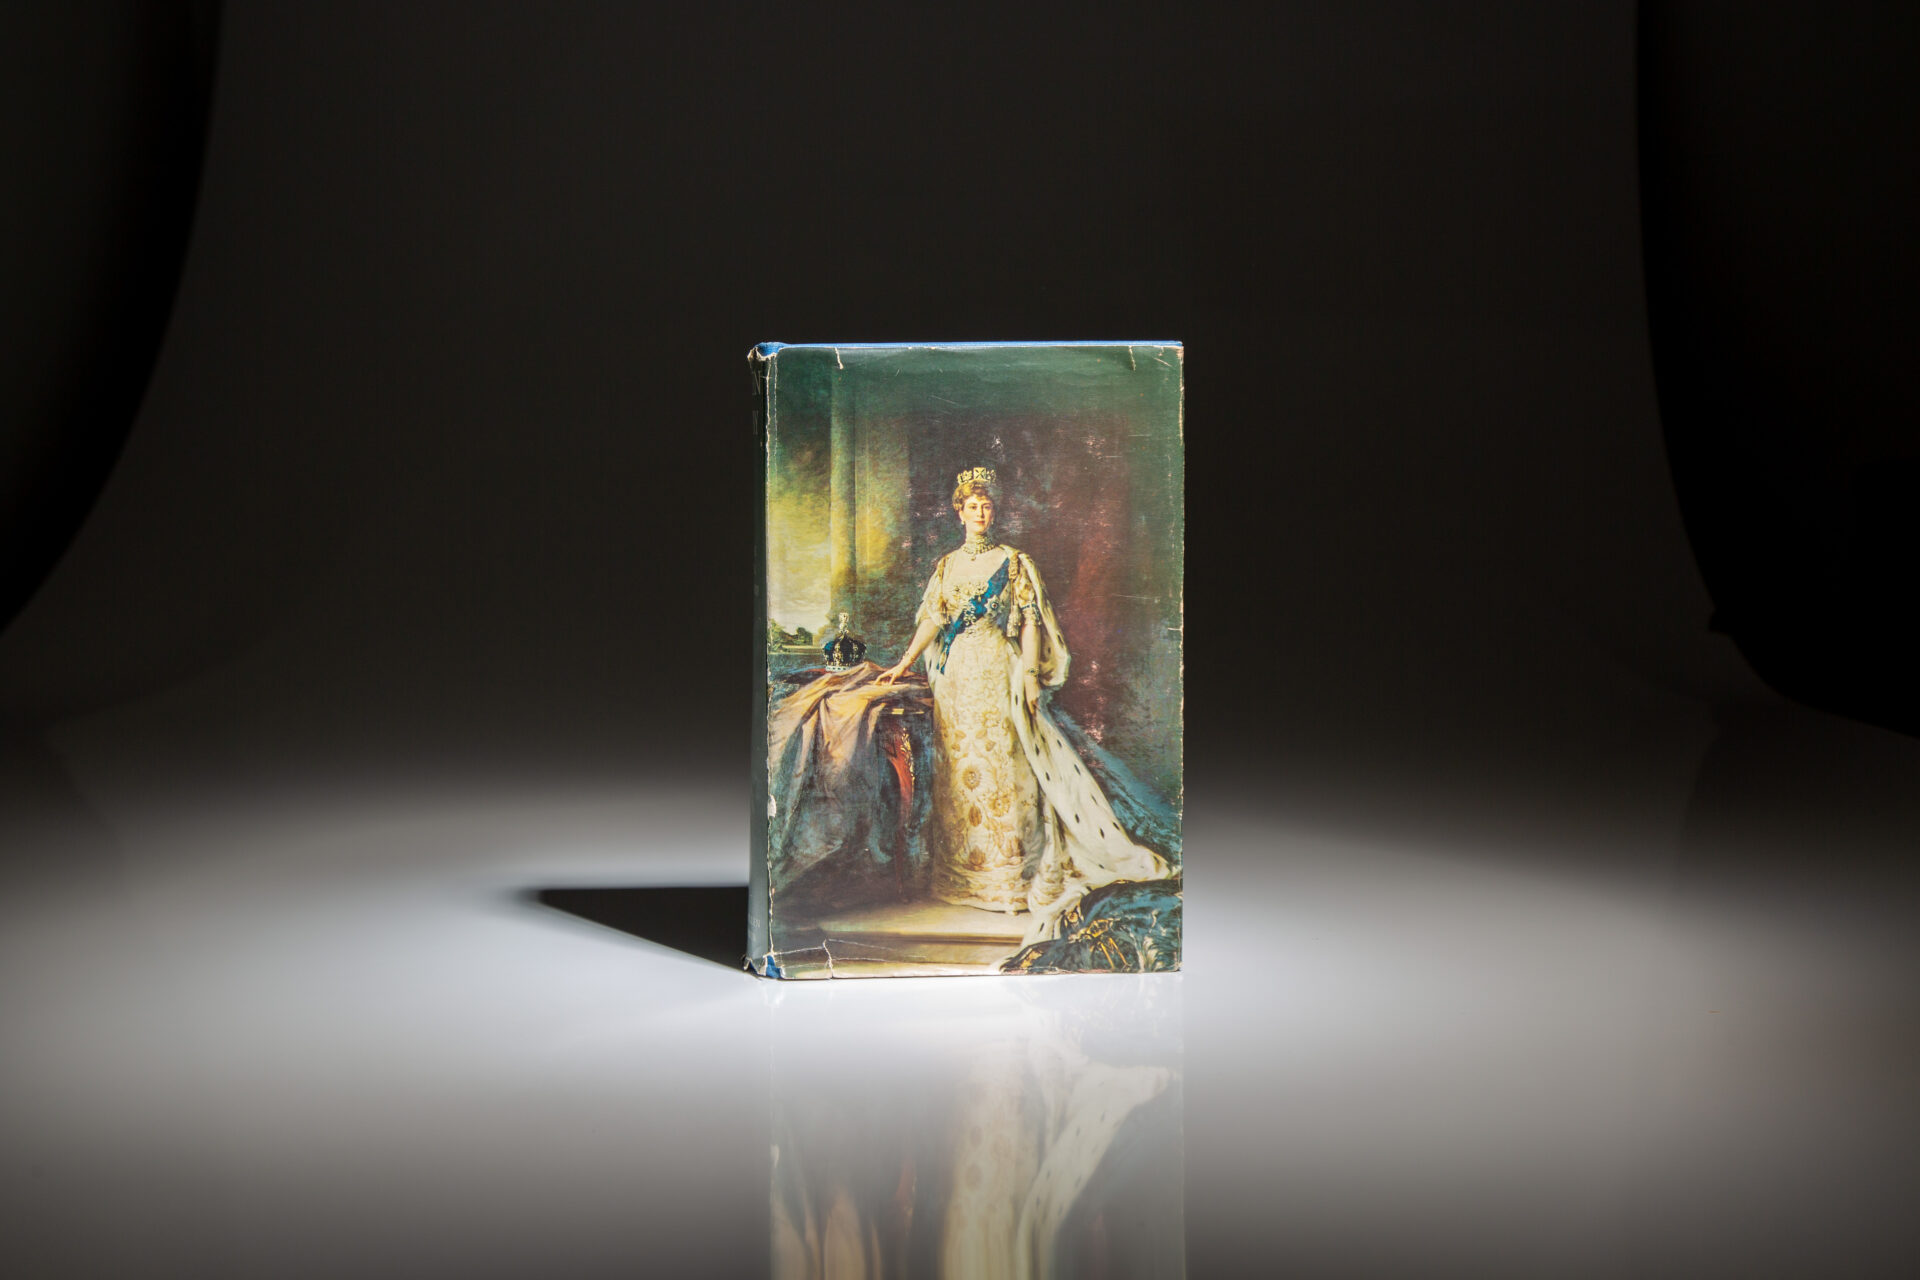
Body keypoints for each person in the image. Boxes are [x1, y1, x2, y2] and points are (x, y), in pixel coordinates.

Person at [879, 467, 1171, 941]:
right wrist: (904, 661)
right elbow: (934, 619)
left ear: (994, 512)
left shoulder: (1013, 562)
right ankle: (965, 878)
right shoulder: (946, 566)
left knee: (1004, 768)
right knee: (960, 771)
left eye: (986, 506)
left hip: (999, 672)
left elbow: (1031, 623)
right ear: (958, 513)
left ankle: (1010, 880)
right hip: (955, 681)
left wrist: (1031, 676)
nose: (980, 513)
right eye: (972, 506)